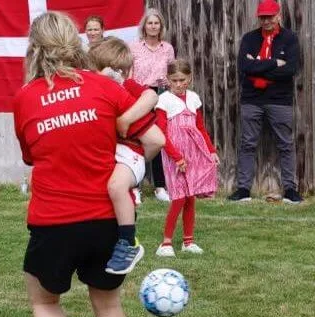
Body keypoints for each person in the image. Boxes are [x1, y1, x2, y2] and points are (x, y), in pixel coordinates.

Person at [14, 12, 163, 317]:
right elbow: (154, 139)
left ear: (34, 49)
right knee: (108, 303)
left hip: (53, 220)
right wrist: (129, 171)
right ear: (76, 42)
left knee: (44, 300)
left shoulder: (25, 98)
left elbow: (31, 156)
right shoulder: (104, 88)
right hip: (105, 219)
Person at [88, 37, 165, 274]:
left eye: (119, 70)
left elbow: (151, 97)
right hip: (111, 151)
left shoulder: (125, 86)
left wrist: (126, 118)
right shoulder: (91, 86)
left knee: (116, 187)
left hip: (129, 150)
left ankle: (128, 242)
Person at [228, 0, 302, 204]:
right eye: (263, 17)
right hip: (252, 100)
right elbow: (244, 66)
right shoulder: (250, 38)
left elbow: (290, 70)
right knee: (247, 144)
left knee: (285, 145)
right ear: (258, 18)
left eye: (270, 16)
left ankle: (290, 190)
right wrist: (273, 63)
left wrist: (258, 66)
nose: (266, 20)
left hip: (280, 100)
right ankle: (243, 189)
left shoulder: (290, 39)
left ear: (278, 16)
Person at [154, 59, 219, 257]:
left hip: (194, 153)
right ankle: (165, 243)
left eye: (182, 79)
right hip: (175, 155)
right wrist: (176, 157)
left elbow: (200, 126)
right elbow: (161, 133)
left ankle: (188, 241)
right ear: (168, 80)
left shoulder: (193, 98)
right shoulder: (163, 100)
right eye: (174, 80)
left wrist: (211, 150)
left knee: (191, 197)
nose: (179, 84)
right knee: (179, 197)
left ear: (189, 78)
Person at [129, 8, 175, 203]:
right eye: (150, 23)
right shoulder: (134, 47)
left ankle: (160, 187)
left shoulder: (168, 48)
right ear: (144, 26)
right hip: (140, 95)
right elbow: (129, 74)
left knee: (158, 141)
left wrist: (168, 83)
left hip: (161, 94)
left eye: (156, 23)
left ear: (161, 26)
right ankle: (135, 188)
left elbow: (173, 73)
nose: (153, 26)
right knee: (138, 140)